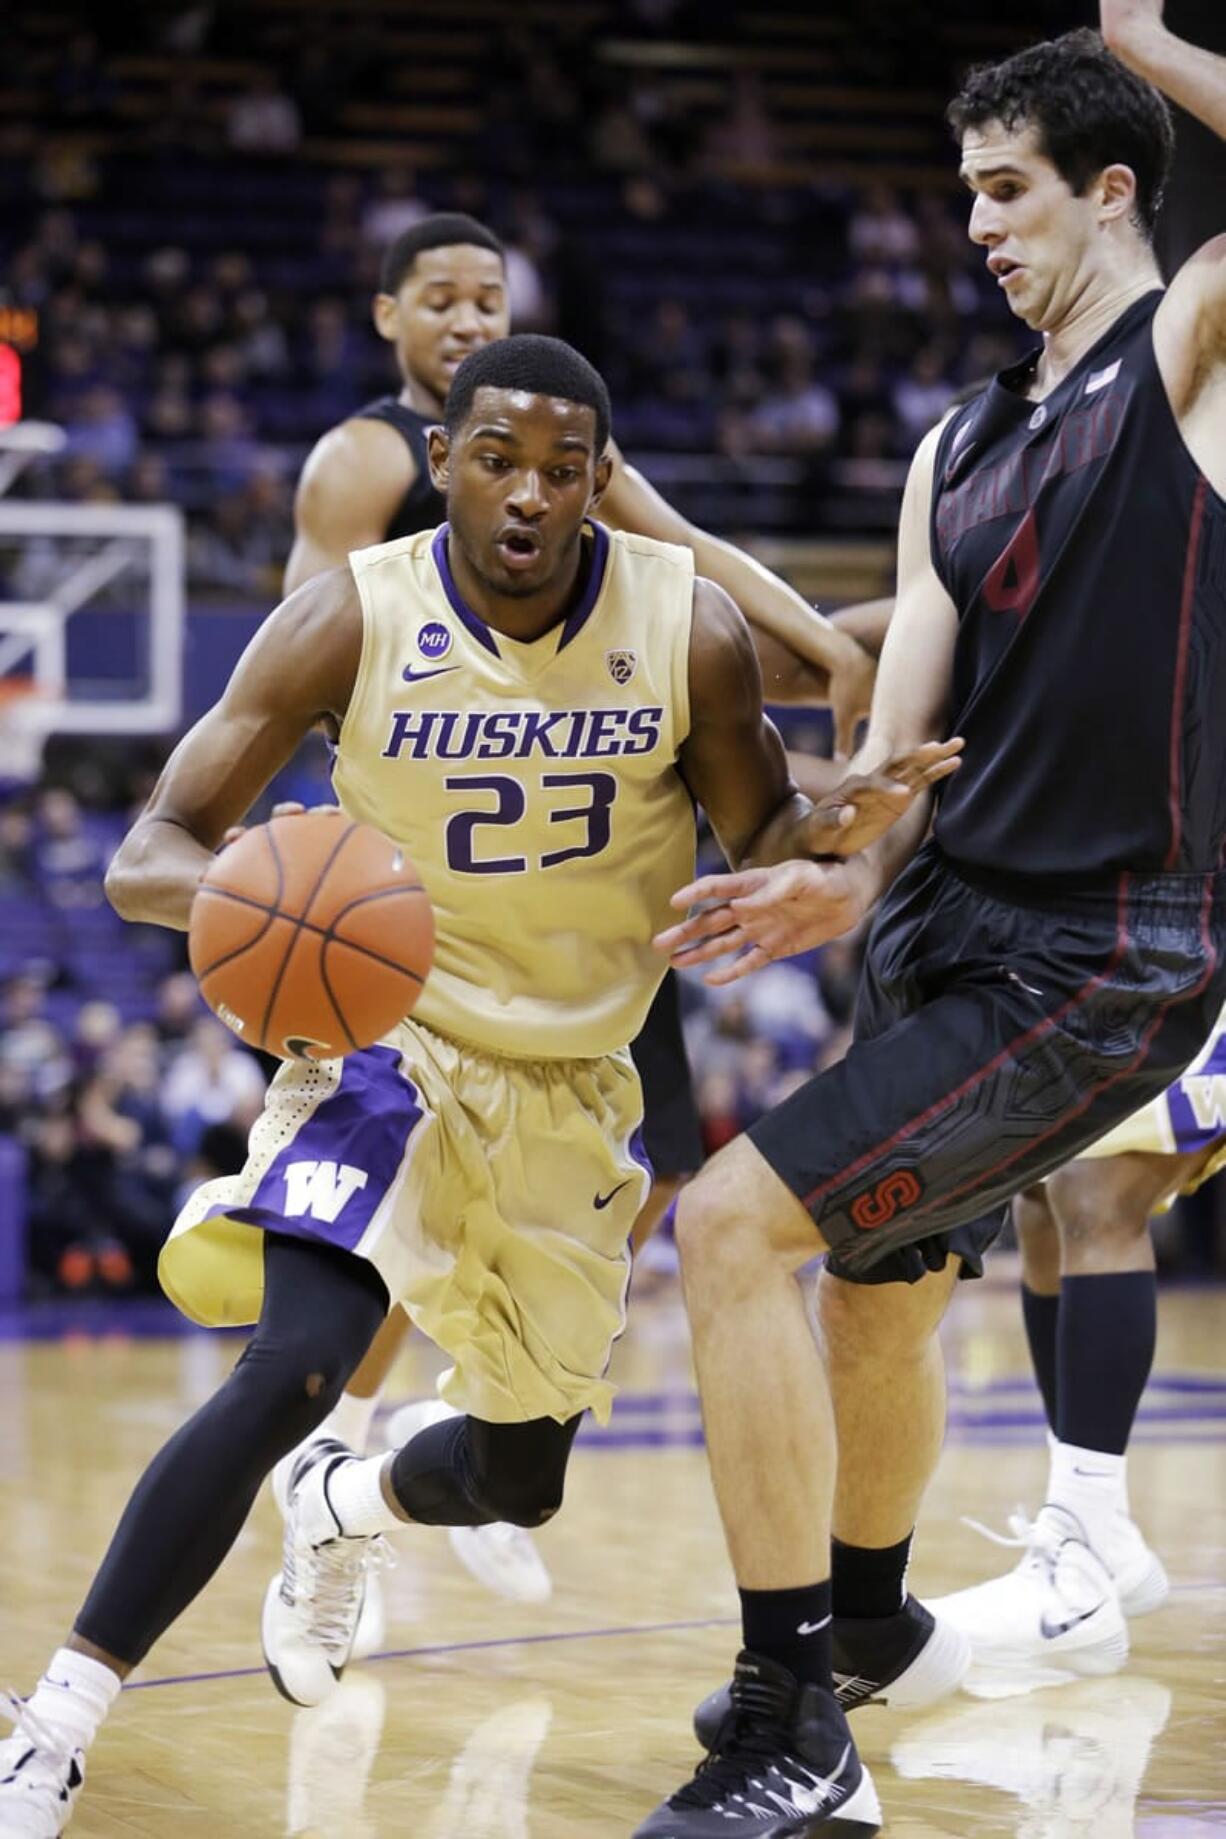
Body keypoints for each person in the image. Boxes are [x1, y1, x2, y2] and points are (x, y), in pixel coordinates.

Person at [0, 335, 956, 1836]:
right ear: (439, 462)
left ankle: (346, 1507)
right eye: (495, 458)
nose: (527, 493)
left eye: (563, 469)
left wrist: (835, 824)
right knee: (297, 1361)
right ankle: (53, 1720)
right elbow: (151, 849)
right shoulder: (347, 617)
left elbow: (759, 824)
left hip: (577, 1081)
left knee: (519, 1476)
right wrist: (260, 902)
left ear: (600, 485)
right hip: (387, 1047)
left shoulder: (685, 629)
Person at [635, 11, 1226, 1835]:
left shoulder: (1187, 368)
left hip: (1101, 949)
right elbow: (897, 753)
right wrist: (838, 871)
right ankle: (873, 1617)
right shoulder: (957, 443)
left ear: (1110, 191)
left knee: (734, 1226)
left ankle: (788, 1719)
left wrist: (1160, 44)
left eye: (1004, 189)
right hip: (948, 926)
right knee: (877, 1296)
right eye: (961, 191)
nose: (972, 223)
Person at [279, 210, 880, 1613]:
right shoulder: (368, 457)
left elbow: (691, 556)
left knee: (644, 1176)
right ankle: (334, 1460)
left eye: (487, 295)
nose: (465, 318)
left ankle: (475, 1419)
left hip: (586, 872)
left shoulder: (560, 449)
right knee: (398, 1217)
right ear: (387, 321)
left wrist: (831, 652)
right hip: (421, 896)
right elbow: (304, 659)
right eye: (438, 298)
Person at [930, 997, 1226, 1649]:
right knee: (1039, 1191)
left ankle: (1084, 1550)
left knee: (1096, 1190)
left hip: (1198, 940)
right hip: (1103, 951)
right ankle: (1099, 1528)